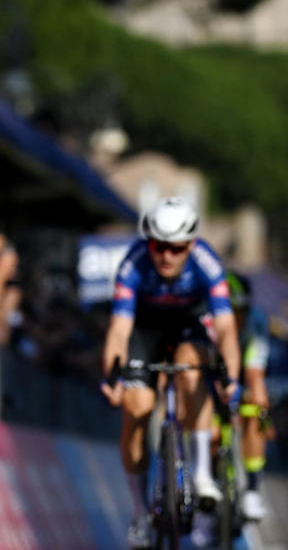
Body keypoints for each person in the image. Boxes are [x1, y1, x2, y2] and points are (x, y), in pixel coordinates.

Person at [101, 197, 241, 549]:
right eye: (158, 246)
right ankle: (140, 513)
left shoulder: (208, 262)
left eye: (176, 249)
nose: (166, 256)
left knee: (192, 367)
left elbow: (225, 329)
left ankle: (202, 476)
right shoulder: (133, 264)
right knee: (136, 408)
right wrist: (112, 376)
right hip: (144, 330)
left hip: (188, 325)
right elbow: (119, 329)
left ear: (191, 245)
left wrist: (231, 378)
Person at [226, 271, 271, 521]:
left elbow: (255, 371)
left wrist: (257, 393)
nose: (238, 317)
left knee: (256, 411)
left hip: (244, 373)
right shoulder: (209, 320)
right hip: (215, 374)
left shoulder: (257, 321)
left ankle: (252, 490)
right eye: (233, 310)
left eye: (242, 310)